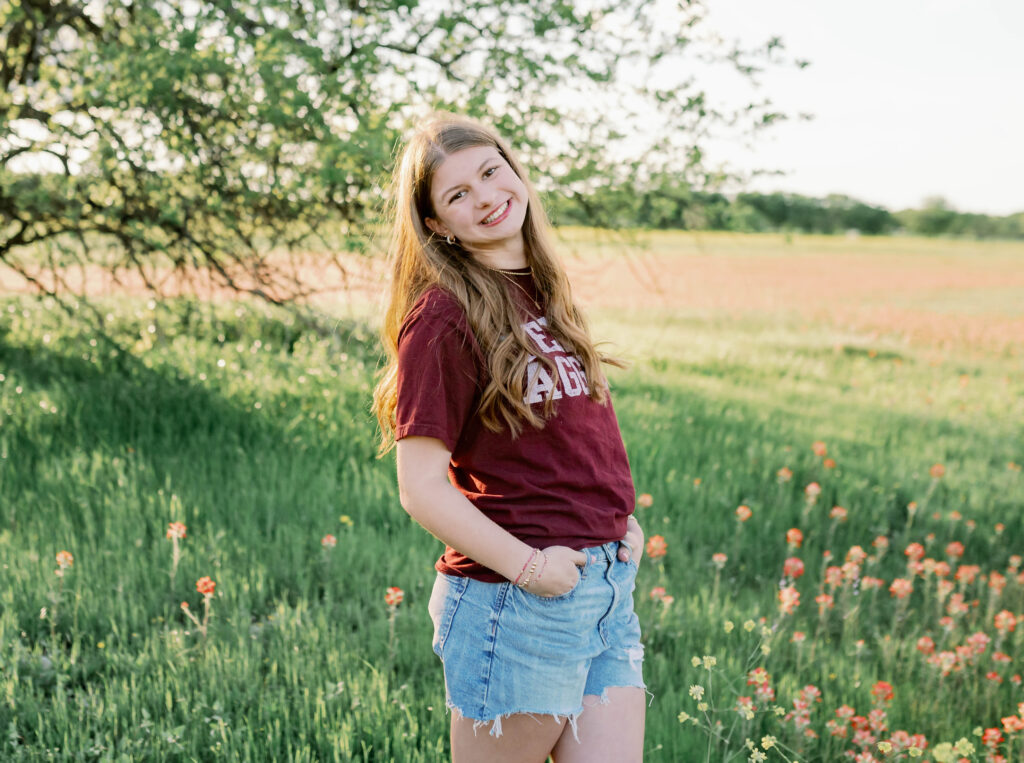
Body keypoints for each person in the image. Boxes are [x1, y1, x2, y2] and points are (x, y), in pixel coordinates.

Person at [371, 112, 648, 763]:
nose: (486, 197)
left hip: (604, 586)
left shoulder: (543, 292)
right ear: (437, 223)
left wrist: (615, 522)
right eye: (457, 194)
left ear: (516, 170)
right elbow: (420, 488)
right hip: (519, 601)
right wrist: (532, 568)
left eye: (490, 172)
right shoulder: (443, 316)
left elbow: (566, 438)